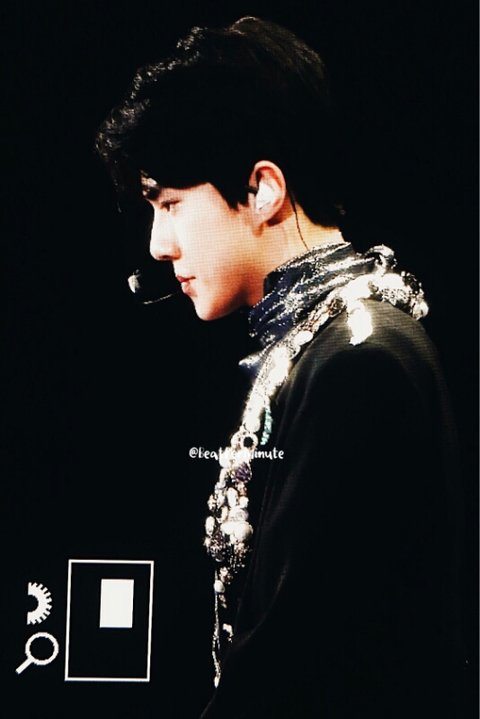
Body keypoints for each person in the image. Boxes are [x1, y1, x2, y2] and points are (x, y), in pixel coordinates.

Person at [96, 16, 466, 718]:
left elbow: (305, 669)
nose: (157, 245)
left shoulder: (361, 361)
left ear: (263, 189)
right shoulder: (332, 345)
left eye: (171, 204)